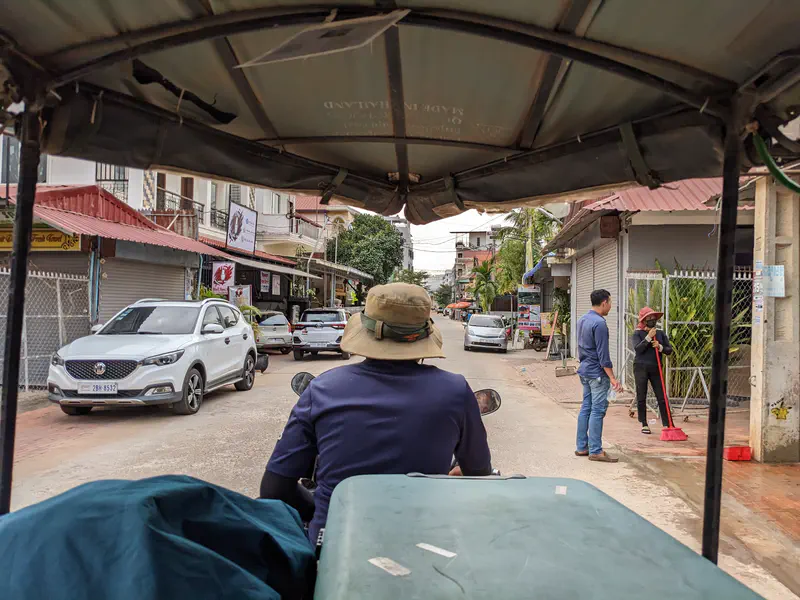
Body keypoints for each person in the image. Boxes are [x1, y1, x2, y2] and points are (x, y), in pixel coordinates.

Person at [259, 283, 492, 542]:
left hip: (333, 544)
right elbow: (479, 475)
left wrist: (329, 509)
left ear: (365, 332)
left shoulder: (323, 389)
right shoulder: (456, 391)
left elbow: (274, 489)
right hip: (425, 543)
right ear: (424, 336)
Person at [575, 289, 622, 463]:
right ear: (604, 303)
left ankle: (582, 447)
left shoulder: (582, 320)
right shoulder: (600, 324)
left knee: (586, 408)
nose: (610, 306)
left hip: (585, 370)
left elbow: (581, 346)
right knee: (597, 410)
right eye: (609, 302)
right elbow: (604, 356)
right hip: (597, 374)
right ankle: (595, 450)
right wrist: (613, 378)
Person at [632, 307, 673, 434]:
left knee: (661, 396)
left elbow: (669, 350)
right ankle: (644, 423)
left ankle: (668, 423)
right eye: (649, 318)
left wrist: (660, 346)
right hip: (640, 367)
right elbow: (638, 349)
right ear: (644, 320)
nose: (652, 320)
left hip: (656, 367)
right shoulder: (637, 334)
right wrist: (648, 338)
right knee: (641, 395)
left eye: (653, 318)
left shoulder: (660, 334)